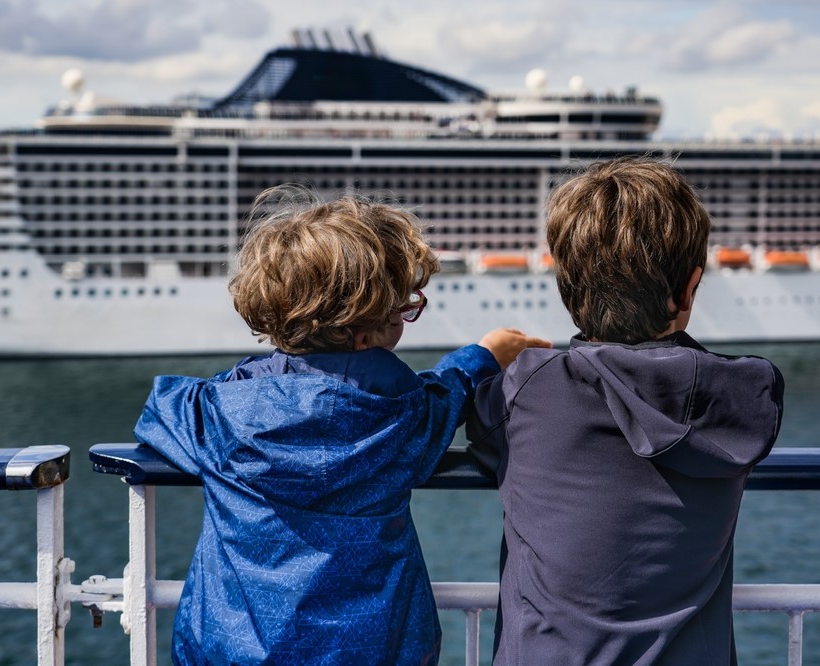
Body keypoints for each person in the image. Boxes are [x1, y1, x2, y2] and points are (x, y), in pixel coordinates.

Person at [134, 186, 551, 665]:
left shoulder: (219, 413)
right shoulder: (407, 418)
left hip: (232, 652)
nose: (407, 318)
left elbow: (161, 407)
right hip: (378, 652)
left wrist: (244, 379)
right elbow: (450, 390)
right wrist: (483, 355)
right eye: (403, 309)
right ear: (366, 335)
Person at [468, 157, 785, 665]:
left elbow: (483, 430)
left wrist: (481, 357)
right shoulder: (742, 392)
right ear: (689, 287)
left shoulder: (526, 385)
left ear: (567, 287)